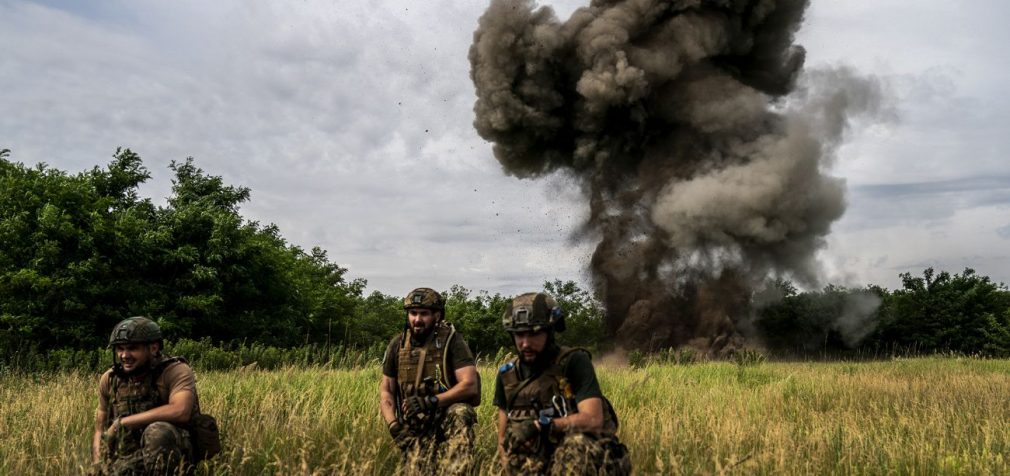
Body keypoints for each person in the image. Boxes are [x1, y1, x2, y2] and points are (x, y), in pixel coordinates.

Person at [494, 292, 631, 475]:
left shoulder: (573, 362)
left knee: (576, 445)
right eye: (519, 335)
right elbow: (503, 441)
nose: (525, 343)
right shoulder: (508, 375)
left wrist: (541, 426)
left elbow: (593, 419)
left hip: (581, 459)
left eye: (534, 333)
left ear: (550, 332)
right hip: (536, 461)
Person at [379, 287, 481, 475]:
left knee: (460, 412)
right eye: (413, 313)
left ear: (437, 315)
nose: (417, 319)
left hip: (444, 416)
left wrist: (430, 401)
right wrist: (394, 426)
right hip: (415, 423)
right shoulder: (398, 344)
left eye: (424, 314)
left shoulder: (452, 341)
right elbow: (386, 389)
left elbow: (470, 385)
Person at [92, 316, 208, 475]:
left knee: (157, 432)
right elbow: (100, 429)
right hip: (130, 456)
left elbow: (181, 411)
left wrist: (123, 423)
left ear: (153, 348)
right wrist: (99, 464)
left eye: (132, 348)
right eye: (120, 349)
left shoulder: (175, 371)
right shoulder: (110, 379)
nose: (124, 355)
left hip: (175, 454)